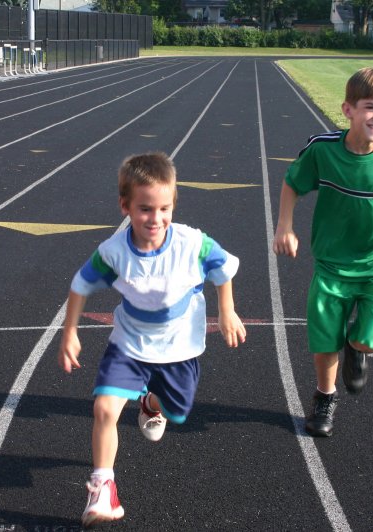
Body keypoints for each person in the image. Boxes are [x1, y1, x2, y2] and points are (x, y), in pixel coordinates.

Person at [58, 152, 247, 526]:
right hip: (128, 344)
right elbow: (80, 286)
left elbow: (222, 268)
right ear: (125, 206)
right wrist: (69, 332)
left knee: (177, 411)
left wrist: (227, 311)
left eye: (164, 208)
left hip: (179, 347)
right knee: (104, 409)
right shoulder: (112, 253)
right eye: (145, 209)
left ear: (174, 205)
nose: (155, 219)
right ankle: (102, 487)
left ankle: (151, 403)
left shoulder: (192, 243)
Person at [273, 67, 373, 438]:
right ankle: (325, 399)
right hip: (332, 262)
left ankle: (357, 349)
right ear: (348, 110)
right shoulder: (322, 149)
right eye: (371, 108)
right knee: (324, 339)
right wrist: (285, 225)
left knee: (369, 338)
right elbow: (292, 183)